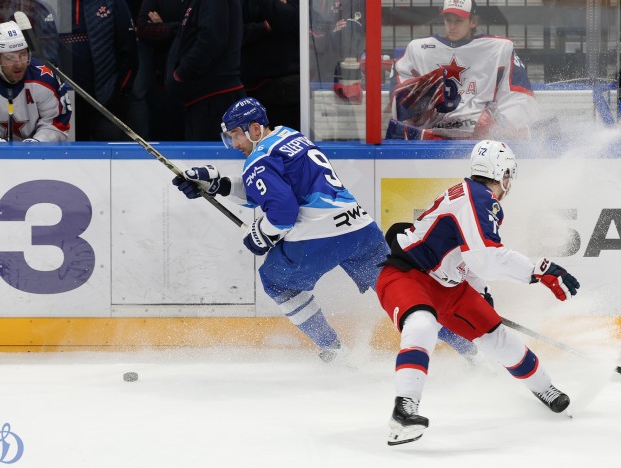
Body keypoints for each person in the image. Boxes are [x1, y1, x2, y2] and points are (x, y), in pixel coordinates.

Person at [171, 97, 479, 362]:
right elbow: (268, 190)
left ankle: (333, 351)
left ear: (254, 128)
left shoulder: (258, 160)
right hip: (361, 230)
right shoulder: (290, 136)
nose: (235, 145)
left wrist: (261, 234)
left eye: (236, 135)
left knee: (276, 282)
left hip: (318, 238)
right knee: (404, 294)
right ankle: (471, 348)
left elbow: (282, 213)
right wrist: (218, 184)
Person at [376, 140, 580, 445]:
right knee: (422, 324)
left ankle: (545, 388)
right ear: (502, 173)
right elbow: (485, 257)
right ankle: (404, 410)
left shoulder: (474, 196)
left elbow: (470, 258)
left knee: (499, 340)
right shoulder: (479, 199)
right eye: (508, 174)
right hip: (408, 275)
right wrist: (539, 269)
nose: (509, 182)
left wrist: (482, 293)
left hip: (450, 287)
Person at [386, 0, 539, 140]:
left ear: (473, 21)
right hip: (433, 134)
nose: (452, 26)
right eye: (448, 20)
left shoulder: (498, 49)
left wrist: (498, 125)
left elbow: (520, 96)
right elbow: (400, 97)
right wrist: (421, 105)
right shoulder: (418, 49)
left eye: (458, 20)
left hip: (481, 136)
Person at [165, 0, 245, 141]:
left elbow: (211, 40)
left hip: (213, 98)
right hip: (204, 98)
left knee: (214, 154)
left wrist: (182, 73)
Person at [0, 21, 71, 142]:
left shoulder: (45, 79)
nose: (18, 64)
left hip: (38, 153)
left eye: (23, 54)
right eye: (10, 57)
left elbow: (57, 125)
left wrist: (38, 142)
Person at [62, 0, 138, 141]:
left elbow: (129, 52)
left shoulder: (112, 3)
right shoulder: (52, 4)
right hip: (63, 101)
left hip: (106, 98)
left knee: (110, 146)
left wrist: (119, 92)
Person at [132, 0, 188, 140]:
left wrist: (163, 27)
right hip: (163, 82)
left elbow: (200, 30)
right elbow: (142, 29)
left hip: (195, 83)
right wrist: (177, 28)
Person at [241, 0, 300, 130]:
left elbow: (285, 20)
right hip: (250, 87)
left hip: (286, 86)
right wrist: (264, 27)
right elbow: (234, 33)